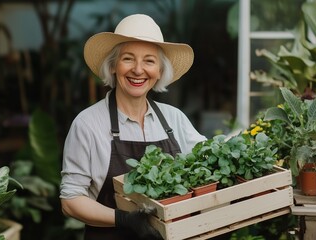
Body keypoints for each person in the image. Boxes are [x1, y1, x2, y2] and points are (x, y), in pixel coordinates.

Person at [60, 14, 206, 240]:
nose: (138, 70)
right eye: (128, 58)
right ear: (113, 66)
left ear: (159, 71)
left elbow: (208, 170)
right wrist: (124, 219)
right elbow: (70, 201)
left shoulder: (174, 120)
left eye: (149, 61)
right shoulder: (88, 124)